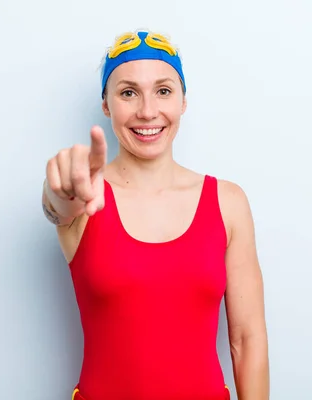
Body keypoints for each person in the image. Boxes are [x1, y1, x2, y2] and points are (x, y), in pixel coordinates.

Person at [42, 29, 269, 400]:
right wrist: (58, 190)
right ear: (106, 104)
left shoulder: (227, 202)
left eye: (163, 90)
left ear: (183, 101)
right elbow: (56, 206)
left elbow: (247, 338)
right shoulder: (86, 194)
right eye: (128, 92)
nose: (147, 111)